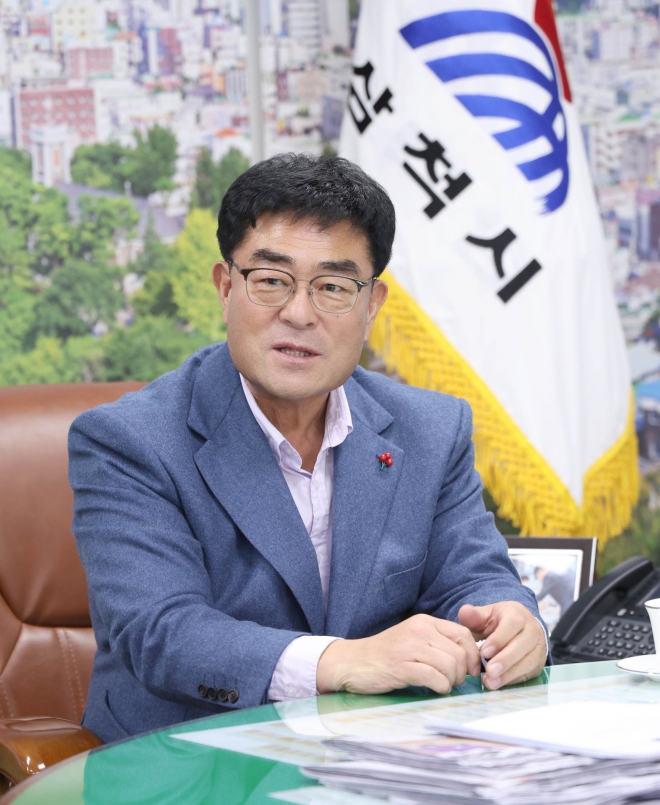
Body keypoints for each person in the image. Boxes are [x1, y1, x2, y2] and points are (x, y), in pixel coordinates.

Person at [69, 154, 548, 743]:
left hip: (379, 757)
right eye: (271, 280)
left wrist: (511, 619)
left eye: (333, 287)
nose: (298, 314)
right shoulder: (128, 441)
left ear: (372, 306)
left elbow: (473, 578)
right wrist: (339, 661)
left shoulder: (430, 428)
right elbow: (162, 632)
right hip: (189, 759)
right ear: (226, 288)